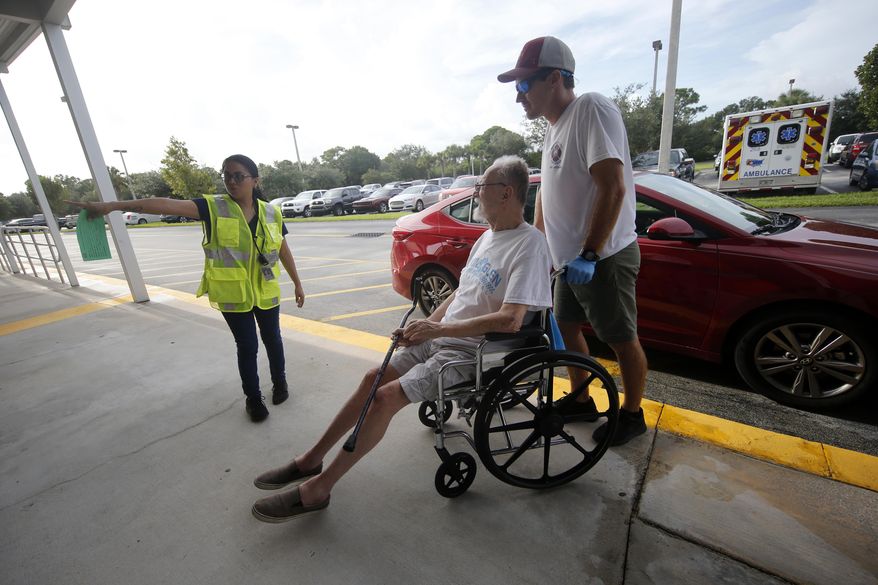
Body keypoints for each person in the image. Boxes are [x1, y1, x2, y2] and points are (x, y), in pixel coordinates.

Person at [250, 155, 553, 523]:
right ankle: (310, 460)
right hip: (444, 338)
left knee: (385, 397)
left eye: (481, 187)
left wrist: (439, 331)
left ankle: (318, 490)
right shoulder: (488, 237)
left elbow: (511, 319)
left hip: (475, 351)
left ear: (506, 194)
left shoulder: (529, 245)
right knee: (371, 378)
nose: (475, 193)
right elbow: (460, 295)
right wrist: (423, 326)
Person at [69, 154, 306, 423]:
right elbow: (165, 205)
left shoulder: (271, 212)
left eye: (238, 176)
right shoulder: (213, 207)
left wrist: (297, 283)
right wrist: (113, 205)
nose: (231, 181)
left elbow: (283, 249)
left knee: (273, 339)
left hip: (266, 291)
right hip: (233, 294)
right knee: (247, 345)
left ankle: (281, 384)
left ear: (255, 180)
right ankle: (253, 399)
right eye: (226, 175)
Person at [497, 36, 648, 446]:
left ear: (557, 79)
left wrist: (590, 253)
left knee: (620, 338)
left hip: (603, 256)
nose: (518, 96)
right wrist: (538, 246)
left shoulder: (591, 109)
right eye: (517, 87)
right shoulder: (552, 129)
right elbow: (548, 195)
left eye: (525, 85)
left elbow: (612, 187)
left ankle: (633, 415)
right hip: (568, 260)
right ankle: (582, 399)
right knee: (565, 326)